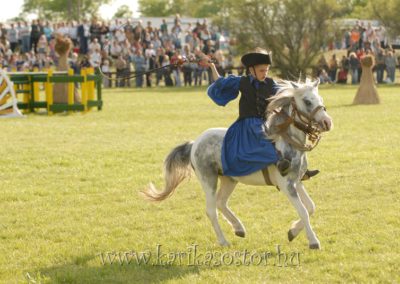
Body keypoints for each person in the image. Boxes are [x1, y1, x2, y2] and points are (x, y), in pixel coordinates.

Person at [203, 47, 318, 179]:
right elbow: (220, 82)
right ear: (252, 70)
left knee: (288, 136)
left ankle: (300, 168)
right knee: (263, 137)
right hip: (247, 125)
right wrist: (212, 66)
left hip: (266, 122)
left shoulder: (271, 84)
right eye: (261, 70)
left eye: (267, 70)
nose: (265, 73)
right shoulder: (242, 82)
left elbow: (287, 92)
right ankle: (280, 164)